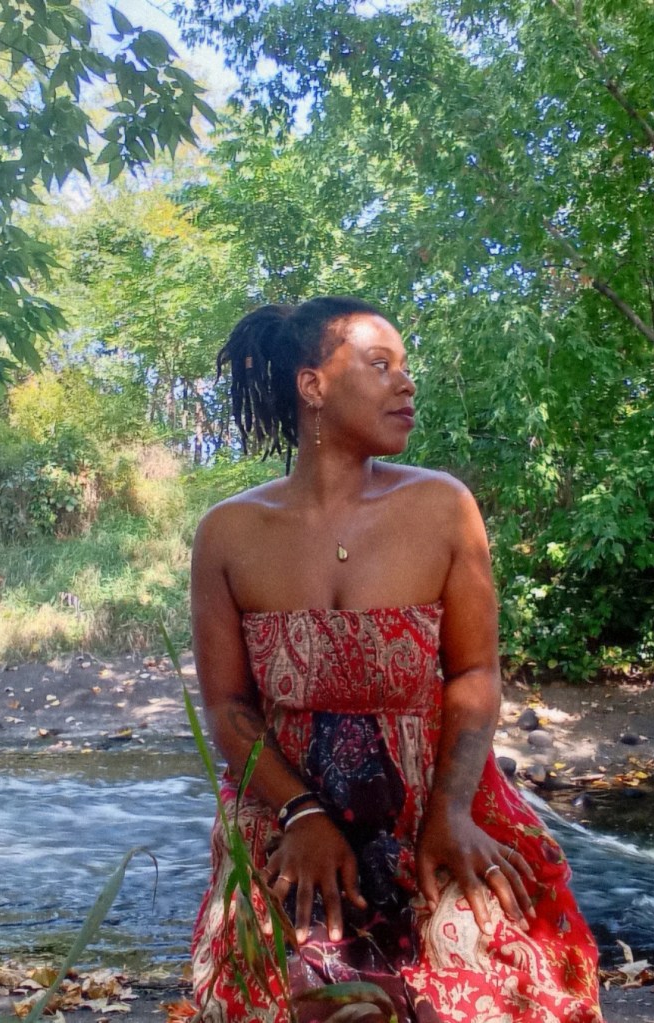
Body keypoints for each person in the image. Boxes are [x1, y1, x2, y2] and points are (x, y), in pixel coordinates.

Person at [189, 298, 602, 1023]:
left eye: (405, 368)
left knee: (489, 969)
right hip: (286, 799)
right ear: (313, 385)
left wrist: (450, 810)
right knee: (310, 992)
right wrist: (301, 814)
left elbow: (474, 673)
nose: (406, 384)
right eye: (380, 365)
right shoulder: (228, 532)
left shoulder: (443, 507)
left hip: (432, 794)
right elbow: (227, 706)